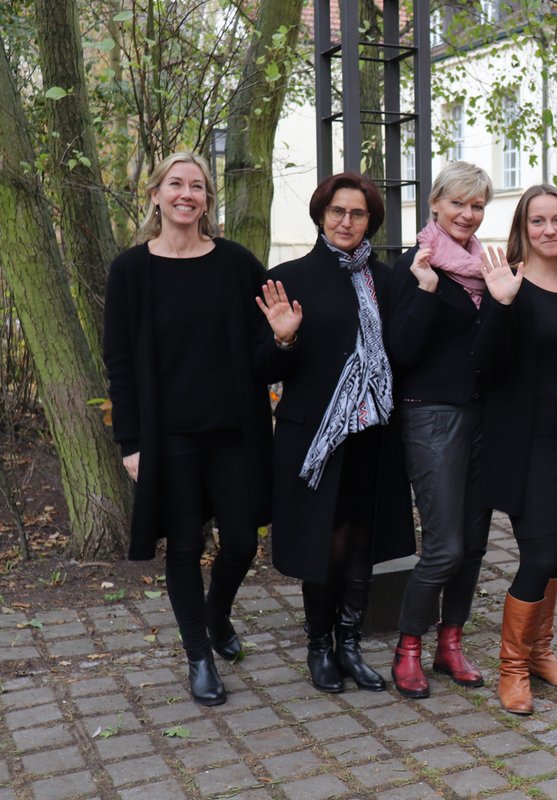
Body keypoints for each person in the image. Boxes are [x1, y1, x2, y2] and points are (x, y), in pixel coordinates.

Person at [103, 152, 277, 706]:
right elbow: (120, 362)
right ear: (155, 195)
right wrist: (130, 442)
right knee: (182, 545)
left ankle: (217, 614)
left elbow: (264, 352)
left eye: (197, 186)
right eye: (175, 184)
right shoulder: (131, 270)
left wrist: (284, 338)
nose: (186, 194)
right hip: (168, 436)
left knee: (243, 542)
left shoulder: (237, 264)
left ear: (207, 198)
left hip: (233, 431)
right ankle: (199, 654)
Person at [262, 172, 413, 695]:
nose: (346, 222)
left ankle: (350, 643)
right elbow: (257, 366)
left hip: (373, 431)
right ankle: (319, 646)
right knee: (323, 542)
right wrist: (283, 340)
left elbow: (405, 349)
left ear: (370, 221)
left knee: (362, 536)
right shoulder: (288, 278)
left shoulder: (386, 280)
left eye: (358, 214)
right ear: (321, 215)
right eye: (338, 212)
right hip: (314, 437)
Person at [474, 185, 557, 715]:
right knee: (537, 553)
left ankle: (541, 652)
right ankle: (512, 669)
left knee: (552, 555)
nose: (549, 229)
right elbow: (486, 364)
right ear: (523, 227)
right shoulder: (510, 283)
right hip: (522, 443)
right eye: (538, 221)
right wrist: (499, 304)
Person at [389, 162, 495, 699]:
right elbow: (401, 351)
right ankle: (408, 647)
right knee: (445, 544)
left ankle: (450, 642)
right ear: (434, 204)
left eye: (476, 206)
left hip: (481, 415)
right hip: (431, 414)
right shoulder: (419, 264)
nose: (467, 214)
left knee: (475, 543)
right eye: (457, 203)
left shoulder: (483, 264)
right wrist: (428, 291)